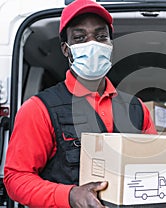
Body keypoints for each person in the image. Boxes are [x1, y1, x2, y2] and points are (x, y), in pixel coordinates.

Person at [4, 0, 157, 207]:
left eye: (101, 36)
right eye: (80, 37)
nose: (92, 43)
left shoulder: (137, 108)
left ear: (110, 45)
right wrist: (70, 195)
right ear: (66, 50)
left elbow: (155, 166)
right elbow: (16, 179)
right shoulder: (39, 109)